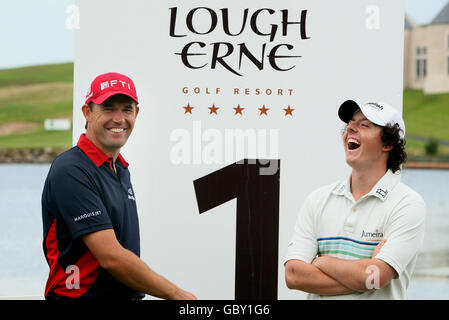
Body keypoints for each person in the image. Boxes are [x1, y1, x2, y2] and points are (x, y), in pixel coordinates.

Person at [41, 72, 197, 300]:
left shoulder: (119, 169)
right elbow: (111, 257)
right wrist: (178, 295)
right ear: (87, 112)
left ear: (137, 114)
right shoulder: (71, 169)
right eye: (108, 108)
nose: (119, 118)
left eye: (127, 109)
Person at [284, 100, 426, 299]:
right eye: (350, 124)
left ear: (388, 143)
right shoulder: (317, 200)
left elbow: (375, 277)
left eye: (364, 125)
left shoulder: (408, 204)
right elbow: (293, 276)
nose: (350, 127)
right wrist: (362, 273)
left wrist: (320, 262)